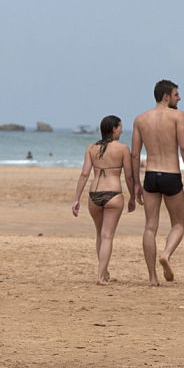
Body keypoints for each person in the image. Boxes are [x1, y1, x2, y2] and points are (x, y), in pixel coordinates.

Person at [131, 80, 184, 286]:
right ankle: (166, 254)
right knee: (178, 224)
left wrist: (136, 184)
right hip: (171, 175)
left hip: (151, 176)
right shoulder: (177, 116)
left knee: (150, 227)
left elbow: (134, 154)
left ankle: (152, 278)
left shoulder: (140, 119)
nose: (180, 98)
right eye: (176, 94)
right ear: (166, 96)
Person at [72, 115, 135, 285]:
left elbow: (84, 174)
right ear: (114, 129)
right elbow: (129, 176)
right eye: (120, 127)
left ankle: (104, 270)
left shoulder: (91, 148)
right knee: (107, 236)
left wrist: (76, 199)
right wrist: (133, 197)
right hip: (113, 194)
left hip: (94, 195)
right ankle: (100, 276)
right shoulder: (122, 149)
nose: (122, 130)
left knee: (100, 235)